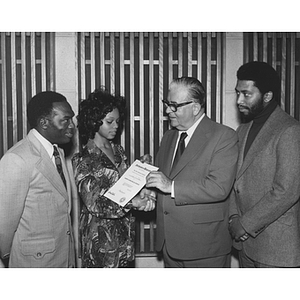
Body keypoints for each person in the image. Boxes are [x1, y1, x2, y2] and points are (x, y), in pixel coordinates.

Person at [146, 77, 238, 267]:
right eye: (166, 104)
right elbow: (163, 184)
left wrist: (170, 186)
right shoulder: (169, 137)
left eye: (174, 105)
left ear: (195, 108)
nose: (166, 111)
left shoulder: (223, 136)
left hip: (204, 248)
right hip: (169, 245)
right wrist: (149, 196)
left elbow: (218, 187)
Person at [72, 88, 155, 268]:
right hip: (100, 246)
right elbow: (96, 203)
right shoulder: (83, 160)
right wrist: (134, 203)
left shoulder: (118, 151)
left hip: (124, 240)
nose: (116, 126)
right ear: (94, 121)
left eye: (118, 121)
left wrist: (142, 172)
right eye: (109, 122)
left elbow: (124, 187)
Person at [229, 61, 300, 268]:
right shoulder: (242, 130)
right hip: (245, 246)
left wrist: (244, 224)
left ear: (267, 96)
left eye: (246, 94)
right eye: (237, 93)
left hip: (277, 248)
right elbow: (235, 182)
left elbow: (286, 191)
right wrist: (234, 217)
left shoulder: (290, 130)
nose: (239, 100)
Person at [0, 91, 76, 267]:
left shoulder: (58, 152)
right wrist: (11, 259)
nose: (72, 126)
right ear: (44, 122)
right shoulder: (17, 159)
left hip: (62, 260)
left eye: (72, 119)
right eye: (65, 120)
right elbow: (4, 224)